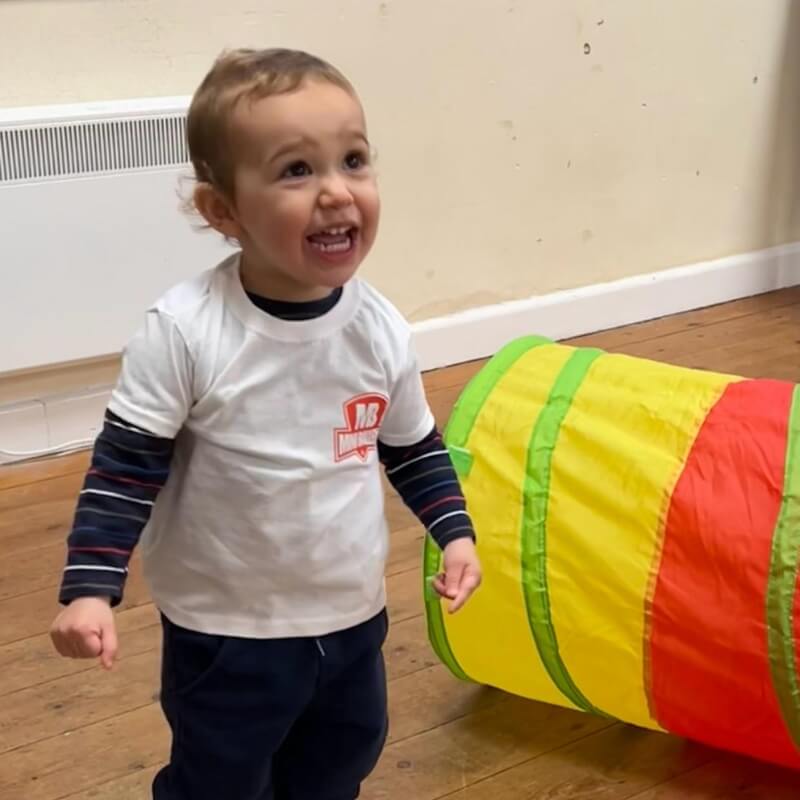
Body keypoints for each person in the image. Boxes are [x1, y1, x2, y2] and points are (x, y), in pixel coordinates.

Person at [49, 48, 482, 800]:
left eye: (353, 159)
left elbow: (412, 446)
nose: (337, 192)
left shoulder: (379, 329)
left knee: (341, 759)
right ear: (223, 211)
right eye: (296, 170)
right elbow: (122, 475)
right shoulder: (186, 332)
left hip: (351, 613)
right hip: (228, 631)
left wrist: (456, 530)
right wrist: (91, 588)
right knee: (221, 778)